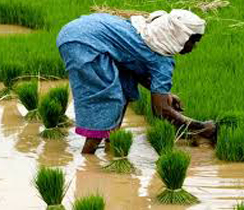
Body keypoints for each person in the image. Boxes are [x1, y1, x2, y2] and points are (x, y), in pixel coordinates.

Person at [57, 10, 217, 154]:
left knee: (124, 88)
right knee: (109, 100)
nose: (194, 47)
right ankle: (88, 159)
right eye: (193, 41)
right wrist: (201, 127)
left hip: (76, 31)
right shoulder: (163, 59)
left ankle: (113, 144)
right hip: (83, 43)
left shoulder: (148, 34)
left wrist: (164, 93)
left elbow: (135, 69)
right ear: (179, 36)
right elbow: (160, 110)